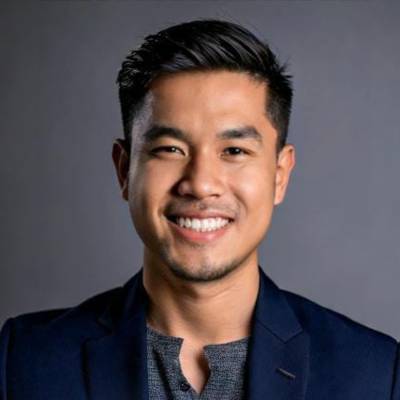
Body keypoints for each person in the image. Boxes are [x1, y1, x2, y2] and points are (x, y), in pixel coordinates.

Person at [0, 19, 399, 400]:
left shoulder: (376, 376)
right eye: (170, 149)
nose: (201, 183)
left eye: (234, 151)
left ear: (279, 175)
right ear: (124, 169)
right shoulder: (23, 362)